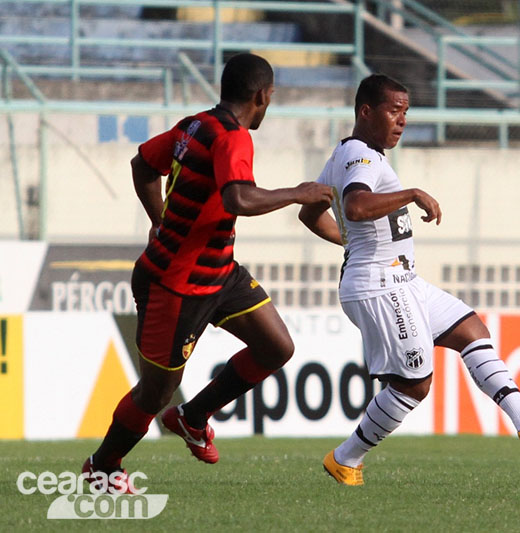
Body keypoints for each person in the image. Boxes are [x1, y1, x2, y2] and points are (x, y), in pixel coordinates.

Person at [298, 74, 520, 486]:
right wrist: (411, 194)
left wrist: (350, 243)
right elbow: (357, 206)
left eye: (406, 113)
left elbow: (311, 214)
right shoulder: (361, 156)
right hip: (380, 285)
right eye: (393, 111)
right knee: (414, 385)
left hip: (402, 280)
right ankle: (346, 458)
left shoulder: (348, 154)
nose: (401, 121)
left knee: (471, 329)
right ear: (365, 111)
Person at [83, 53, 333, 492]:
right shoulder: (232, 138)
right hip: (175, 284)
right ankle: (103, 464)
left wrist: (159, 219)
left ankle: (193, 416)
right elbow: (238, 198)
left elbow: (142, 165)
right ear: (262, 95)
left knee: (276, 346)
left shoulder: (194, 124)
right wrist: (298, 192)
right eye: (270, 97)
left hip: (219, 272)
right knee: (156, 392)